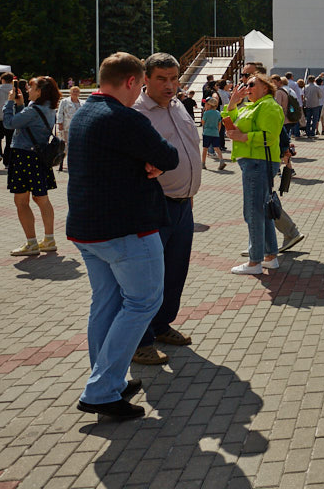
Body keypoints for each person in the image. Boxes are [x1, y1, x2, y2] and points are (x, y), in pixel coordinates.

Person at [68, 52, 179, 421]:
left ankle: (106, 380)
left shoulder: (84, 112)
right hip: (126, 230)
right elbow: (169, 156)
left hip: (88, 230)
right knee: (143, 303)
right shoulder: (125, 118)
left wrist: (146, 160)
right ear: (132, 81)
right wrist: (152, 160)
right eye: (140, 86)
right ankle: (101, 390)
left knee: (106, 303)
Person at [131, 53, 202, 366]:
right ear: (145, 79)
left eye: (174, 78)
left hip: (183, 205)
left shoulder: (179, 107)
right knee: (147, 278)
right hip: (154, 207)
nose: (170, 85)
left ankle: (161, 325)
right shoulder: (136, 113)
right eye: (162, 79)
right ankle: (140, 341)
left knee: (175, 272)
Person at [224, 71, 285, 275]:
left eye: (251, 84)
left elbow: (270, 136)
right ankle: (270, 256)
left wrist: (243, 137)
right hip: (253, 162)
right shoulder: (252, 106)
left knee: (253, 212)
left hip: (258, 162)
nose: (247, 88)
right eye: (246, 84)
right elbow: (232, 120)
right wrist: (232, 103)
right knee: (262, 210)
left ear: (265, 87)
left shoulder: (268, 106)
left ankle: (254, 261)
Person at [4, 76, 60, 255]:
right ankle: (49, 239)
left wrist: (9, 103)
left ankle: (31, 243)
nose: (28, 90)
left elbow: (9, 123)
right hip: (38, 157)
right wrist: (21, 105)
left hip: (23, 155)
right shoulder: (49, 108)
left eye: (31, 87)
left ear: (40, 92)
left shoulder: (33, 109)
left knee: (21, 201)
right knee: (42, 199)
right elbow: (27, 123)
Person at [56, 85, 83, 171]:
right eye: (73, 91)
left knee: (76, 145)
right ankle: (60, 162)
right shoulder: (64, 101)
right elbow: (60, 112)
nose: (75, 93)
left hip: (78, 127)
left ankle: (74, 163)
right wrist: (60, 123)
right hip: (66, 126)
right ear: (70, 92)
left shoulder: (83, 102)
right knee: (65, 145)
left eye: (77, 91)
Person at [200, 96, 226, 168]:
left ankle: (203, 163)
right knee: (217, 148)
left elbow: (203, 122)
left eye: (206, 104)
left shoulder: (206, 113)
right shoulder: (218, 113)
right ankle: (221, 161)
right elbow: (219, 124)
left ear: (209, 105)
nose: (204, 105)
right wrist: (218, 131)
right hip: (215, 133)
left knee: (205, 149)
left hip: (207, 132)